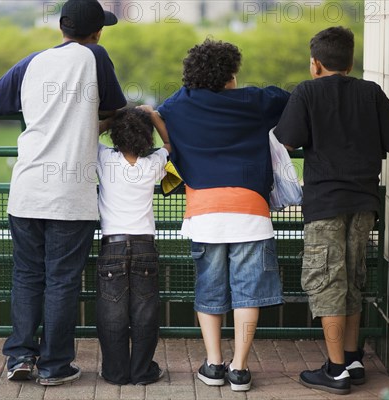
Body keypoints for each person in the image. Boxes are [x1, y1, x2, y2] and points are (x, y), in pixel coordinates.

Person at [0, 0, 127, 386]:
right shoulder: (95, 55)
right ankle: (54, 365)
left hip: (27, 188)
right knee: (61, 280)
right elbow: (116, 106)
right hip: (70, 192)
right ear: (96, 32)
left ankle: (20, 357)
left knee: (28, 275)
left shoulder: (34, 60)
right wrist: (93, 124)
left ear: (62, 28)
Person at [142, 39, 289, 392]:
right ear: (232, 74)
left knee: (210, 289)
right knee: (247, 293)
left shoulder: (179, 105)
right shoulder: (255, 100)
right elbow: (289, 99)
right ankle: (239, 368)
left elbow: (159, 116)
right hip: (251, 210)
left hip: (204, 212)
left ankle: (213, 363)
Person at [274, 26, 389, 396]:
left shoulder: (306, 91)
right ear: (349, 61)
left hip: (326, 203)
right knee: (352, 279)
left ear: (315, 64)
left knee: (328, 282)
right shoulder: (371, 92)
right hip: (365, 202)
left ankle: (335, 371)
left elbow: (288, 138)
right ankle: (352, 358)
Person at [95, 108, 170, 385]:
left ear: (116, 135)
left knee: (111, 311)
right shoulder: (153, 163)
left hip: (112, 246)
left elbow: (88, 135)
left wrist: (112, 119)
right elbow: (171, 145)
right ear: (147, 138)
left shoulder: (104, 157)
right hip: (144, 247)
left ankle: (115, 372)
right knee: (145, 312)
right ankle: (142, 371)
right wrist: (155, 117)